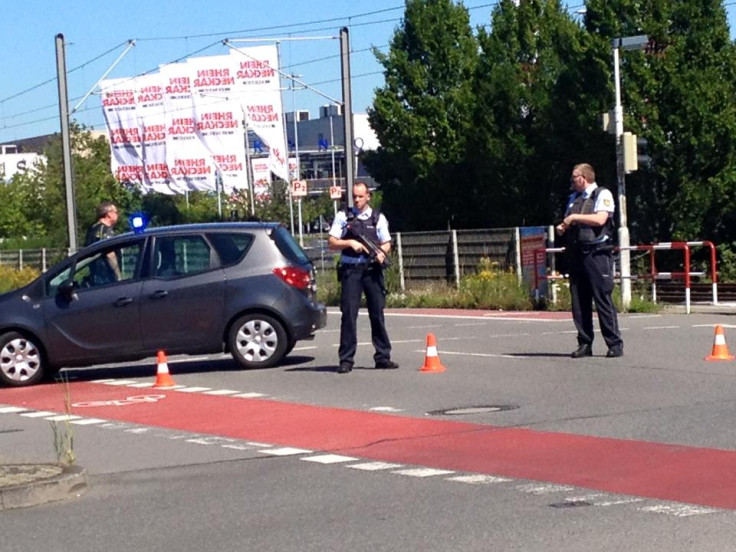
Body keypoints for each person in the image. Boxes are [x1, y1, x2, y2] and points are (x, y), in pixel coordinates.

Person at [328, 182, 398, 374]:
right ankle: (346, 359)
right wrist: (350, 242)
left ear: (368, 197)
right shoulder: (343, 216)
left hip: (372, 270)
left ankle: (383, 356)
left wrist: (380, 253)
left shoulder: (377, 218)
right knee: (349, 315)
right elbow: (332, 242)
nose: (357, 200)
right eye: (354, 197)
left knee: (377, 313)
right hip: (351, 270)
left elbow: (386, 243)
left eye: (360, 196)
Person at [556, 163, 624, 358]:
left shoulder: (602, 194)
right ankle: (585, 343)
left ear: (583, 178)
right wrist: (564, 227)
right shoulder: (573, 198)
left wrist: (575, 217)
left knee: (602, 298)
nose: (572, 182)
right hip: (576, 253)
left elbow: (600, 220)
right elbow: (569, 220)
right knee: (579, 301)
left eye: (574, 178)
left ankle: (614, 344)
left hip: (597, 253)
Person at [85, 201, 122, 283]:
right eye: (116, 212)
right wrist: (118, 277)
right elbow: (110, 254)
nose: (117, 215)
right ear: (109, 214)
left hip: (95, 276)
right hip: (106, 278)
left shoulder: (92, 229)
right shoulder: (106, 230)